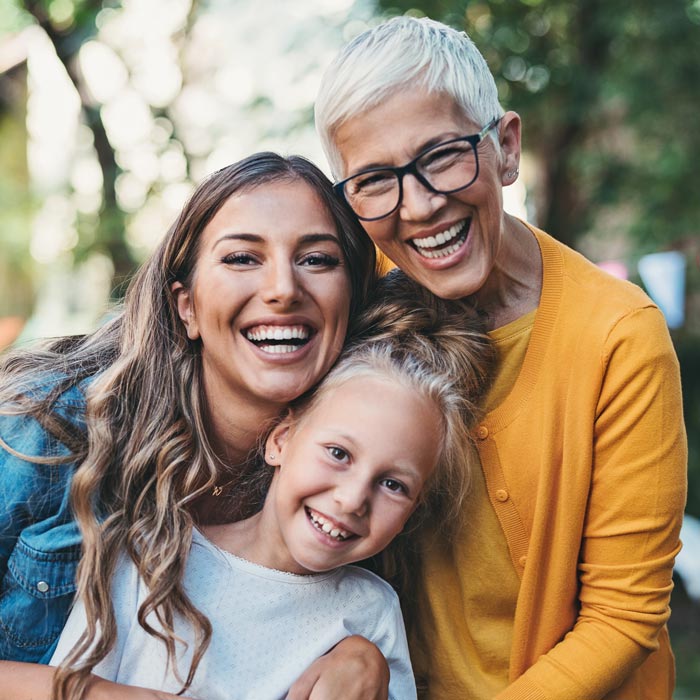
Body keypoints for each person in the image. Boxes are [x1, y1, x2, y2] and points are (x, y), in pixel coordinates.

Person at [315, 15, 687, 700]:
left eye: (442, 156)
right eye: (374, 180)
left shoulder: (617, 336)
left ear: (505, 148)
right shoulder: (348, 306)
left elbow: (623, 617)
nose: (421, 206)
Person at [0, 152, 384, 700]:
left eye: (317, 259)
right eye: (243, 258)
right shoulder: (49, 429)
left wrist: (363, 651)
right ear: (187, 308)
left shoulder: (359, 470)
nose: (283, 288)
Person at [49, 271, 494, 700]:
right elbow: (71, 685)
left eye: (394, 484)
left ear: (414, 509)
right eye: (338, 454)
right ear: (281, 440)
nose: (353, 498)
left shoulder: (370, 613)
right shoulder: (153, 554)